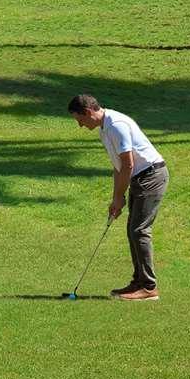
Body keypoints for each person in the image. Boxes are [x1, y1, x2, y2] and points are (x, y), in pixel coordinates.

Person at [69, 92, 167, 300]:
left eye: (80, 120)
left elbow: (129, 164)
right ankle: (138, 282)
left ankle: (148, 287)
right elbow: (119, 166)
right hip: (139, 178)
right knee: (133, 230)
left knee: (139, 230)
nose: (80, 126)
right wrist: (117, 197)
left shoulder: (116, 125)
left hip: (151, 175)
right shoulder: (104, 129)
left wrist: (119, 197)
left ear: (88, 112)